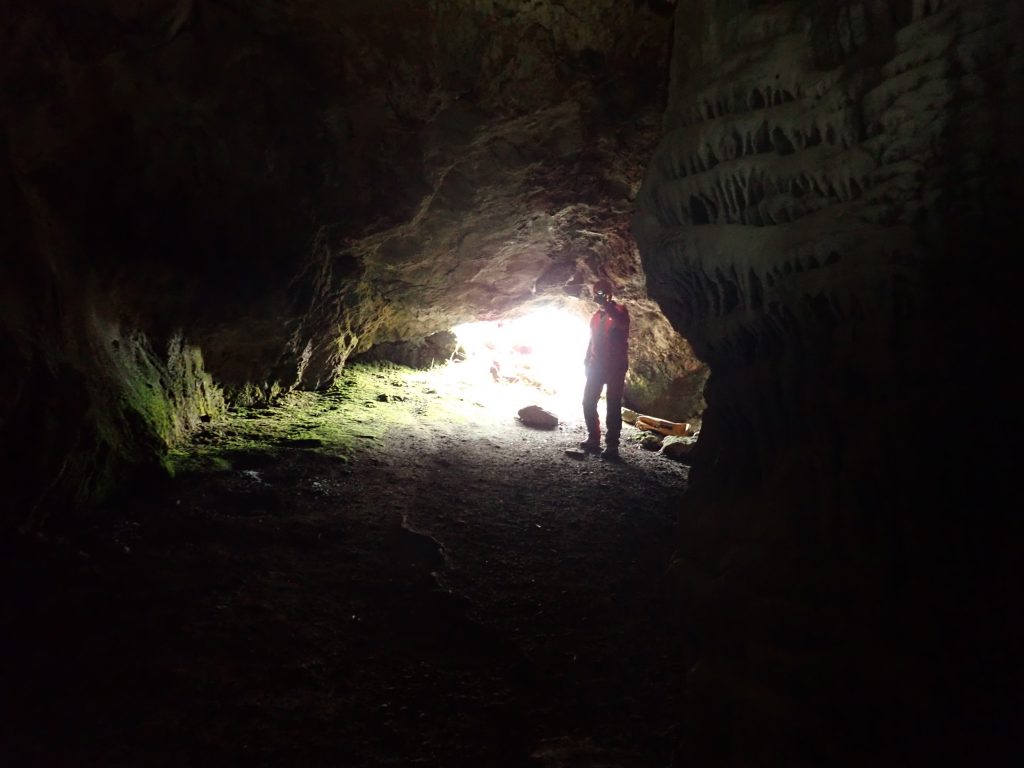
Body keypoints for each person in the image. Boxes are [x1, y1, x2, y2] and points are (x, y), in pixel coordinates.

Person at [580, 278, 630, 459]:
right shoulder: (595, 316)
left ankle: (612, 446)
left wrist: (607, 306)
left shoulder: (620, 312)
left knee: (613, 404)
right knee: (588, 401)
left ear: (609, 294)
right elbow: (592, 339)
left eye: (602, 293)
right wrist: (587, 359)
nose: (599, 296)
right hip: (596, 366)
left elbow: (622, 323)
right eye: (597, 293)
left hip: (615, 367)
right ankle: (593, 438)